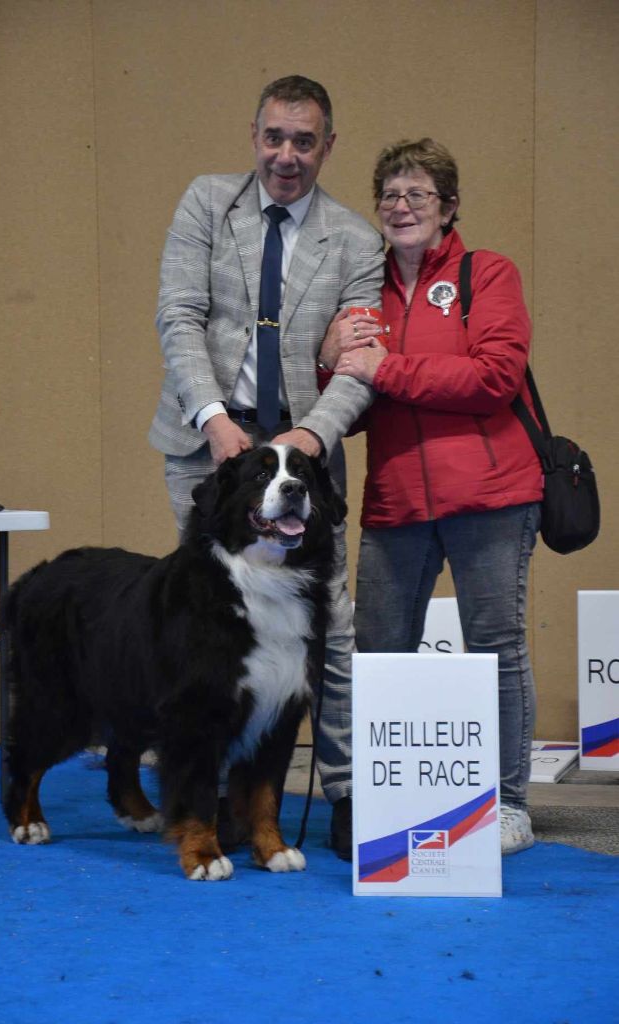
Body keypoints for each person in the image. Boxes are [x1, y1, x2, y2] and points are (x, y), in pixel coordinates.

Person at [148, 75, 385, 859]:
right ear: (254, 135)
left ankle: (346, 797)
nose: (287, 155)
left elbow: (360, 363)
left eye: (304, 141)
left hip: (304, 461)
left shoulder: (355, 240)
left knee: (330, 635)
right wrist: (215, 421)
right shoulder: (206, 203)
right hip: (209, 453)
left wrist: (312, 441)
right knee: (203, 634)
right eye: (274, 138)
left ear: (327, 146)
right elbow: (178, 314)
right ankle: (205, 793)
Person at [319, 138, 543, 855]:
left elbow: (495, 378)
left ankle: (509, 805)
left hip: (491, 496)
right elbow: (350, 400)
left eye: (418, 194)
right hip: (394, 503)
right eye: (389, 194)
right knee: (379, 655)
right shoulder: (364, 288)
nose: (401, 206)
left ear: (449, 207)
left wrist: (388, 369)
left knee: (496, 650)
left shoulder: (487, 273)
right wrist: (329, 361)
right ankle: (385, 800)